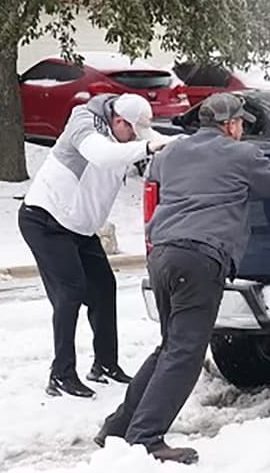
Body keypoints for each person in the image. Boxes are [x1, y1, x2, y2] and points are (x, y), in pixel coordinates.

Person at [95, 92, 270, 463]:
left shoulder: (170, 154)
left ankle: (118, 426)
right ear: (230, 125)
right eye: (242, 123)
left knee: (170, 347)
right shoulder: (240, 154)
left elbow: (191, 171)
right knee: (185, 353)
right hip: (200, 258)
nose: (243, 129)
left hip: (163, 254)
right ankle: (146, 438)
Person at [19, 92, 174, 399]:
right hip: (45, 220)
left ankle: (105, 365)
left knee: (104, 287)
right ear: (117, 120)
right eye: (131, 131)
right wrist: (144, 146)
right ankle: (61, 375)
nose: (134, 138)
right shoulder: (83, 122)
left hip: (78, 227)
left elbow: (156, 141)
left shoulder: (126, 132)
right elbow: (101, 154)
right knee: (70, 292)